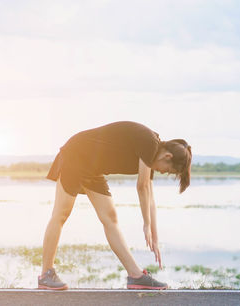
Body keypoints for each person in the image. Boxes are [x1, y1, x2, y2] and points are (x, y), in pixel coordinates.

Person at [38, 121, 192, 290]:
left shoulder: (151, 153)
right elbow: (142, 187)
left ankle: (136, 276)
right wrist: (146, 224)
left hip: (92, 167)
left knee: (110, 218)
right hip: (77, 155)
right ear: (167, 157)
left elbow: (150, 198)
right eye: (168, 170)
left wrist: (154, 236)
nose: (163, 172)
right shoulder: (150, 143)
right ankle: (46, 274)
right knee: (61, 214)